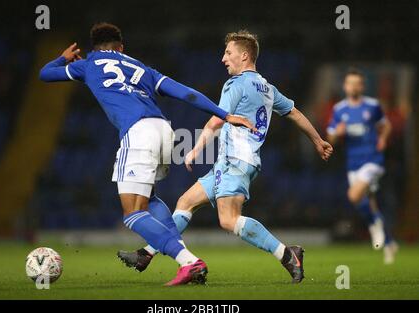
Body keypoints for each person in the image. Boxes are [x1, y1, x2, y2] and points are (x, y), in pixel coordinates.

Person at [39, 23, 256, 285]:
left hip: (138, 133)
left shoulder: (87, 64)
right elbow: (185, 93)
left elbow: (45, 74)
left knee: (132, 214)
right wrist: (225, 115)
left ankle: (189, 261)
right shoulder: (142, 67)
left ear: (95, 47)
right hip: (164, 130)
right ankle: (186, 260)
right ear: (121, 48)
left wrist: (62, 58)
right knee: (150, 199)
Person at [119, 30, 333, 283]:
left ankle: (287, 254)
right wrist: (317, 140)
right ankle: (147, 253)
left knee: (228, 220)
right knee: (186, 202)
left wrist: (196, 149)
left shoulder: (236, 84)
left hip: (237, 161)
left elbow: (218, 117)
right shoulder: (267, 87)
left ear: (244, 56)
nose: (223, 58)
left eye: (228, 53)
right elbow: (295, 113)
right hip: (232, 162)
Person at [326, 68, 398, 264]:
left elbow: (387, 125)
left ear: (362, 86)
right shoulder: (339, 109)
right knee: (368, 203)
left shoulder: (373, 106)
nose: (354, 86)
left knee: (353, 195)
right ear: (345, 86)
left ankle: (374, 225)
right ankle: (390, 243)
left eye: (357, 83)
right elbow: (330, 136)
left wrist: (382, 139)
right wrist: (337, 133)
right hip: (353, 164)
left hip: (373, 160)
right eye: (350, 83)